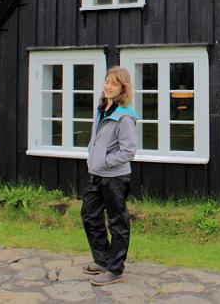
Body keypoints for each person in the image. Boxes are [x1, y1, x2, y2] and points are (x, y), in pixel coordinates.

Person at [81, 66, 139, 286]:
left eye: (114, 83)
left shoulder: (124, 117)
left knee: (118, 222)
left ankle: (115, 269)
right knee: (89, 215)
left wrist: (104, 162)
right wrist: (93, 159)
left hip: (115, 177)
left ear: (123, 88)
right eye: (107, 81)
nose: (108, 86)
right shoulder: (102, 109)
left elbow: (128, 151)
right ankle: (103, 260)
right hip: (96, 174)